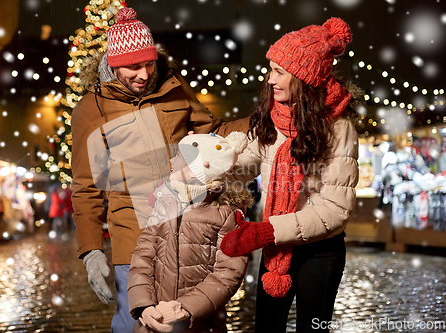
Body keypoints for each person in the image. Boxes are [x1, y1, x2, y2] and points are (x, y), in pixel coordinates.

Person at [70, 7, 249, 333]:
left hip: (187, 230)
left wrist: (263, 121)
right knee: (133, 324)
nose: (143, 74)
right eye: (133, 66)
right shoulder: (90, 110)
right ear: (113, 63)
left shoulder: (174, 89)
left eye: (149, 63)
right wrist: (92, 251)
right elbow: (86, 186)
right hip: (133, 237)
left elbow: (214, 133)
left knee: (187, 322)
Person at [220, 17, 361, 332]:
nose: (270, 80)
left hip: (319, 251)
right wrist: (206, 174)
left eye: (278, 72)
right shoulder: (274, 118)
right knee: (267, 327)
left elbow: (334, 210)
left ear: (302, 77)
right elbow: (246, 164)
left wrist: (265, 232)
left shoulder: (339, 129)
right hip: (277, 248)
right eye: (270, 70)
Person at [128, 132, 252, 333]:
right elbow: (142, 257)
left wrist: (184, 308)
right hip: (153, 320)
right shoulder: (165, 201)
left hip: (199, 325)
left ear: (196, 170)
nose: (171, 161)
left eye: (178, 158)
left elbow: (228, 274)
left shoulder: (227, 214)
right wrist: (144, 306)